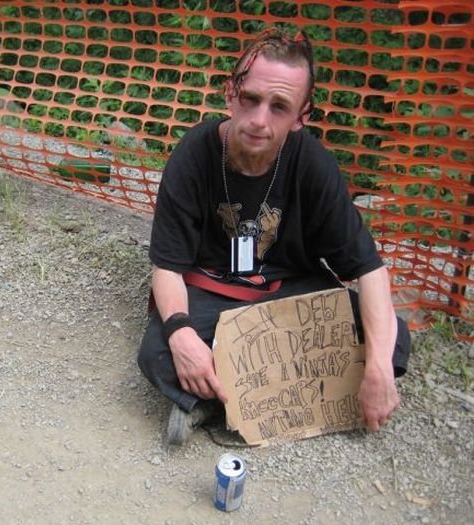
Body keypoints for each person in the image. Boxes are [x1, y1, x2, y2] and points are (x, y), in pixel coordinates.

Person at [137, 27, 411, 447]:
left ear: (301, 116)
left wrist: (375, 366)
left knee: (390, 336)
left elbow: (370, 270)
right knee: (159, 349)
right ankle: (268, 397)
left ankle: (216, 401)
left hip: (290, 290)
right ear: (231, 94)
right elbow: (167, 267)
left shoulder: (314, 164)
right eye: (251, 100)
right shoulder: (193, 153)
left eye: (279, 106)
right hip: (215, 290)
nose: (260, 120)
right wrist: (179, 332)